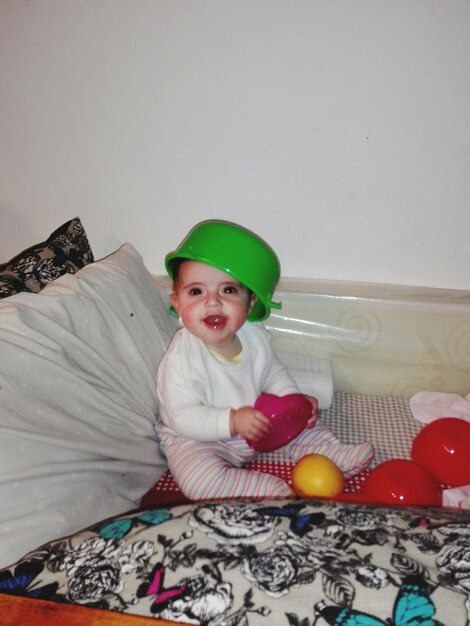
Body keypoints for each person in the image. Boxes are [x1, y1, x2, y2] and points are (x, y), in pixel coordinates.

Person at [156, 220, 374, 499]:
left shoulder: (253, 336)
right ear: (177, 303)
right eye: (196, 292)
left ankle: (332, 453)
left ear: (249, 305)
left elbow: (272, 371)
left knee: (306, 427)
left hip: (255, 421)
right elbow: (182, 416)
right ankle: (262, 489)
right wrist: (232, 421)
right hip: (196, 438)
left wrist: (292, 400)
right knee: (199, 482)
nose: (212, 301)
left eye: (228, 290)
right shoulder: (182, 357)